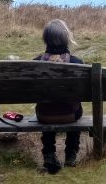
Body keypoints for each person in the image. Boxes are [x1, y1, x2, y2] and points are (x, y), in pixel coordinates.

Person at [34, 19, 84, 174]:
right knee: (75, 106)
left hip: (43, 115)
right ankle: (71, 153)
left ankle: (49, 153)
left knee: (49, 105)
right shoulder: (77, 63)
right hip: (70, 115)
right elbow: (80, 95)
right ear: (66, 38)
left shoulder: (35, 63)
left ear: (45, 39)